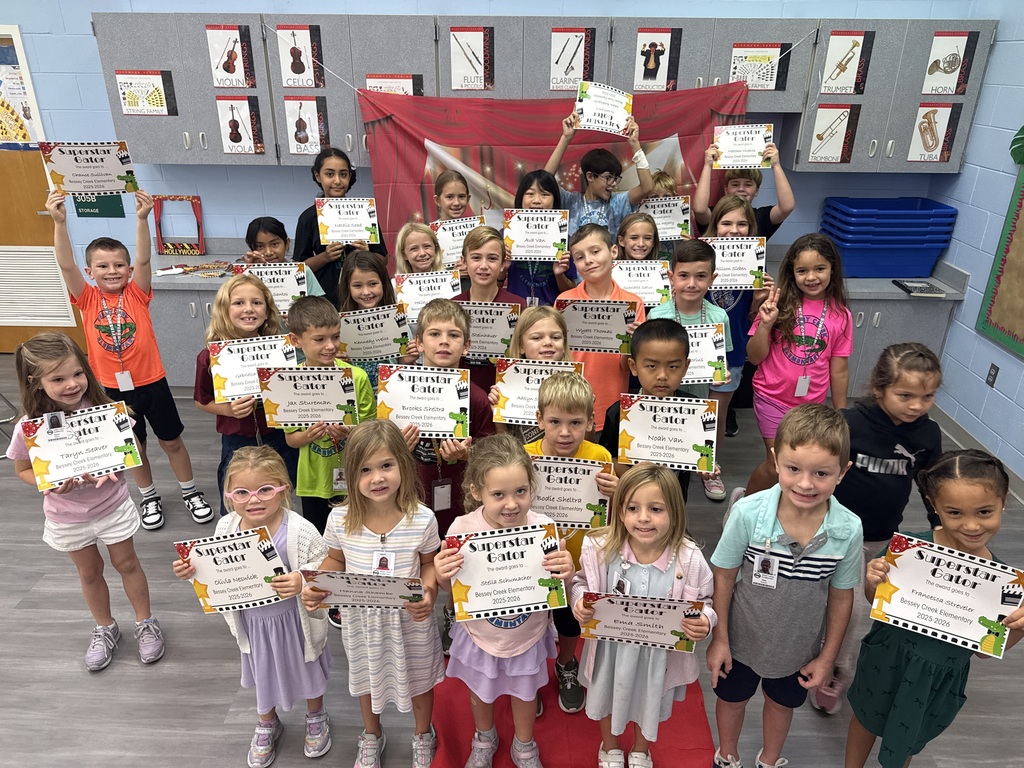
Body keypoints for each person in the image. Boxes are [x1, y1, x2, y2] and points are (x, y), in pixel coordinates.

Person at [845, 449, 1024, 768]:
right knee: (865, 717)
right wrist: (872, 581)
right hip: (887, 657)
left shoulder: (1004, 585)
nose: (971, 525)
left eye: (984, 512)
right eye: (954, 512)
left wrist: (1019, 628)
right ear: (933, 505)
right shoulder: (906, 549)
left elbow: (985, 650)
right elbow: (877, 602)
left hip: (936, 678)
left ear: (1004, 501)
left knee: (908, 734)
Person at [46, 189, 212, 530]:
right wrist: (59, 223)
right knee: (132, 446)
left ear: (129, 268)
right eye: (103, 266)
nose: (112, 271)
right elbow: (64, 263)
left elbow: (147, 260)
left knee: (172, 441)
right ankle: (148, 495)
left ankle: (190, 491)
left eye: (119, 265)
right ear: (90, 271)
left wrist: (141, 219)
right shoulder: (87, 298)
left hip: (152, 381)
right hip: (111, 389)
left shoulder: (137, 293)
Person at [707, 404, 863, 768]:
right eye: (794, 469)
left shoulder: (848, 529)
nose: (806, 484)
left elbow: (842, 597)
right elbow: (724, 574)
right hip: (741, 640)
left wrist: (827, 658)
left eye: (821, 473)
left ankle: (769, 759)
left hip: (799, 649)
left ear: (843, 472)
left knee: (781, 705)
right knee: (732, 700)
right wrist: (720, 638)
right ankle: (727, 755)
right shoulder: (747, 513)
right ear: (776, 461)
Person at [8, 333, 166, 672]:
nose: (72, 384)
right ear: (36, 382)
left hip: (112, 504)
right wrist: (49, 483)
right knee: (90, 572)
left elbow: (135, 454)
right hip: (66, 515)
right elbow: (22, 469)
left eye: (78, 374)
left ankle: (145, 622)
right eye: (58, 378)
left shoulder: (107, 411)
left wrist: (120, 452)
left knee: (127, 564)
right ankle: (105, 627)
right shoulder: (29, 428)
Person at [173, 446, 331, 768]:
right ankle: (267, 721)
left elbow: (326, 567)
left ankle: (316, 715)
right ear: (228, 495)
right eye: (242, 492)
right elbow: (215, 576)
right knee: (262, 670)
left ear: (284, 489)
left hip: (296, 621)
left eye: (265, 490)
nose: (254, 500)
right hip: (253, 625)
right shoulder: (225, 529)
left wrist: (302, 579)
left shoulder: (300, 530)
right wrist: (193, 572)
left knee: (308, 665)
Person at [301, 420, 445, 768]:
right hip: (362, 621)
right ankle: (371, 734)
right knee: (366, 677)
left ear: (404, 465)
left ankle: (423, 733)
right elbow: (334, 559)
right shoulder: (339, 519)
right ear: (351, 474)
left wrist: (428, 592)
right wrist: (318, 586)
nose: (377, 478)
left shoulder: (422, 519)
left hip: (409, 621)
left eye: (386, 466)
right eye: (365, 470)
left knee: (421, 679)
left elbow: (429, 564)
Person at [811, 343, 944, 715]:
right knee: (827, 602)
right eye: (905, 395)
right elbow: (818, 471)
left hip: (882, 537)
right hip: (833, 532)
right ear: (879, 388)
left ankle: (837, 668)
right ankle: (819, 657)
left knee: (853, 610)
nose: (917, 405)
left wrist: (940, 529)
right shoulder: (848, 424)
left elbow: (931, 485)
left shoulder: (928, 435)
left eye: (927, 396)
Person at [434, 434, 575, 768]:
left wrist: (567, 571)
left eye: (520, 492)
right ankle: (485, 737)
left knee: (526, 693)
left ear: (531, 486)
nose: (511, 504)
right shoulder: (461, 529)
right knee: (480, 692)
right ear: (476, 492)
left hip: (528, 634)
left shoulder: (544, 528)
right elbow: (449, 587)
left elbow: (558, 586)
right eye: (499, 495)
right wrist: (441, 572)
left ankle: (524, 745)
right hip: (479, 635)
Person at [571, 464, 716, 768]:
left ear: (675, 511)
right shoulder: (601, 549)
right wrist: (579, 602)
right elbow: (581, 583)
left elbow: (705, 601)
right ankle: (609, 747)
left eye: (656, 508)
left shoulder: (690, 560)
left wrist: (705, 621)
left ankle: (640, 749)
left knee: (650, 701)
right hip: (610, 652)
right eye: (633, 508)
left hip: (657, 660)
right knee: (606, 695)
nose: (644, 518)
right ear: (620, 511)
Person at [523, 372, 618, 715]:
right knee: (530, 623)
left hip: (578, 564)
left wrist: (616, 492)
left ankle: (566, 665)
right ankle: (528, 676)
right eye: (555, 422)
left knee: (569, 622)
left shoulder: (601, 458)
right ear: (539, 420)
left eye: (576, 422)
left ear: (592, 422)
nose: (565, 432)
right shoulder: (524, 456)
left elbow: (611, 518)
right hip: (531, 562)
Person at [405, 299, 496, 655]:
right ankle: (419, 608)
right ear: (420, 342)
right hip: (413, 493)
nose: (444, 342)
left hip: (461, 497)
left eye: (453, 335)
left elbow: (490, 454)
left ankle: (451, 608)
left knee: (458, 555)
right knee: (421, 556)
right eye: (434, 334)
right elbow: (380, 450)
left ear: (467, 345)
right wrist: (397, 444)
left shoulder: (475, 398)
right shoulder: (399, 390)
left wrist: (467, 454)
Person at [741, 233, 852, 497]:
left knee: (800, 466)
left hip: (811, 405)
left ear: (832, 269)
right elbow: (754, 357)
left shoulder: (841, 314)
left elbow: (839, 368)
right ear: (792, 272)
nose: (811, 277)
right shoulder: (778, 304)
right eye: (802, 270)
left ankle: (784, 511)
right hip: (772, 397)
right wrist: (765, 324)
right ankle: (743, 507)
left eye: (819, 269)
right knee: (776, 465)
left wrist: (842, 412)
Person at [194, 274, 297, 515]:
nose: (248, 309)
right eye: (239, 303)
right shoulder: (209, 356)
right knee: (236, 493)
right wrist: (227, 409)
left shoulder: (280, 348)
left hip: (278, 434)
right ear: (224, 309)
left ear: (267, 309)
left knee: (279, 489)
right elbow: (202, 400)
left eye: (257, 302)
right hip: (237, 437)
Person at [649, 239, 735, 501]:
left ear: (712, 278)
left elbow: (722, 360)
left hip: (698, 399)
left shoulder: (719, 317)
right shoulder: (656, 315)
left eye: (701, 276)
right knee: (660, 456)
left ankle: (679, 512)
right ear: (671, 276)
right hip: (660, 399)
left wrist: (723, 374)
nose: (691, 284)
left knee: (685, 456)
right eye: (684, 276)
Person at [282, 297, 376, 537]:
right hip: (313, 481)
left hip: (356, 475)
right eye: (319, 339)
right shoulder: (287, 382)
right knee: (319, 538)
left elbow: (372, 432)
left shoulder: (358, 377)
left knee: (356, 533)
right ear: (295, 340)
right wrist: (308, 434)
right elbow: (291, 440)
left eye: (335, 336)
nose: (331, 346)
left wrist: (351, 433)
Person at [600, 318, 715, 503]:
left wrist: (706, 466)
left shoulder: (697, 410)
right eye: (651, 366)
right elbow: (609, 458)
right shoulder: (619, 412)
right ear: (634, 366)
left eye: (673, 366)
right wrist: (641, 479)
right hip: (631, 499)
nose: (662, 375)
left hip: (675, 500)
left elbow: (701, 454)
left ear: (686, 367)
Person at [556, 224, 646, 433]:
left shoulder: (632, 304)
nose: (588, 260)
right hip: (569, 407)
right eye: (579, 257)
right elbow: (557, 358)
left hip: (611, 406)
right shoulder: (564, 302)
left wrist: (631, 342)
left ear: (613, 251)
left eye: (595, 251)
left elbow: (628, 367)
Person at [704, 194, 774, 442]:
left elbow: (753, 320)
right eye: (726, 223)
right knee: (694, 413)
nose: (734, 231)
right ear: (715, 225)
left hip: (731, 352)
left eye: (741, 224)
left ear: (750, 228)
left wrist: (758, 299)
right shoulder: (701, 258)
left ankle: (711, 470)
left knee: (717, 416)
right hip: (696, 349)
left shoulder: (756, 267)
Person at [293, 148, 387, 308]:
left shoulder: (364, 212)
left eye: (343, 174)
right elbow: (299, 268)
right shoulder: (308, 218)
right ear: (317, 176)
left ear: (349, 177)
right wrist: (325, 257)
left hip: (362, 300)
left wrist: (367, 254)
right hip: (325, 301)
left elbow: (383, 259)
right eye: (329, 174)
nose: (337, 181)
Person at [544, 112, 653, 236]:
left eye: (615, 178)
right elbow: (545, 181)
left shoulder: (618, 202)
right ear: (590, 176)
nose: (613, 184)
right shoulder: (570, 202)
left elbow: (647, 187)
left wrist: (635, 144)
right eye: (608, 178)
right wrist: (566, 137)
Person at [454, 225, 526, 392]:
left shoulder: (520, 307)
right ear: (464, 262)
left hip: (507, 395)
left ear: (502, 264)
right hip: (462, 395)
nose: (484, 265)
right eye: (476, 258)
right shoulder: (452, 307)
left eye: (492, 258)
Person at [490, 305, 574, 445]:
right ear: (521, 346)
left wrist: (587, 408)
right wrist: (498, 414)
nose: (548, 342)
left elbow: (585, 441)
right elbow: (505, 446)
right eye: (536, 338)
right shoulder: (508, 385)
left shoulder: (576, 385)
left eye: (555, 337)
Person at [692, 142, 795, 241]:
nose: (741, 189)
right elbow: (699, 209)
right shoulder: (716, 214)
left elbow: (786, 207)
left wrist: (776, 165)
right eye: (735, 184)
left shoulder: (761, 217)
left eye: (748, 184)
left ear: (757, 190)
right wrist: (707, 166)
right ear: (726, 190)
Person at [505, 170, 578, 307]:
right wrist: (502, 269)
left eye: (545, 194)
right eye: (530, 194)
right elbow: (492, 289)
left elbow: (570, 293)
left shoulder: (563, 240)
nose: (537, 200)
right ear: (521, 198)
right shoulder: (506, 236)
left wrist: (559, 275)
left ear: (554, 200)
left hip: (551, 316)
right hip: (516, 314)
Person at [337, 251, 399, 391]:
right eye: (358, 286)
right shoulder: (337, 328)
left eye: (372, 284)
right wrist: (336, 361)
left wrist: (406, 360)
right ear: (348, 287)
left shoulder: (398, 323)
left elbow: (403, 369)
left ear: (383, 283)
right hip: (357, 398)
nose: (366, 292)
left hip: (389, 399)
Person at [241, 216, 326, 297]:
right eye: (260, 246)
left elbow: (318, 307)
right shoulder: (246, 275)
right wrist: (248, 272)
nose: (268, 252)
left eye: (274, 244)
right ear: (251, 248)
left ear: (287, 244)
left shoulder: (302, 271)